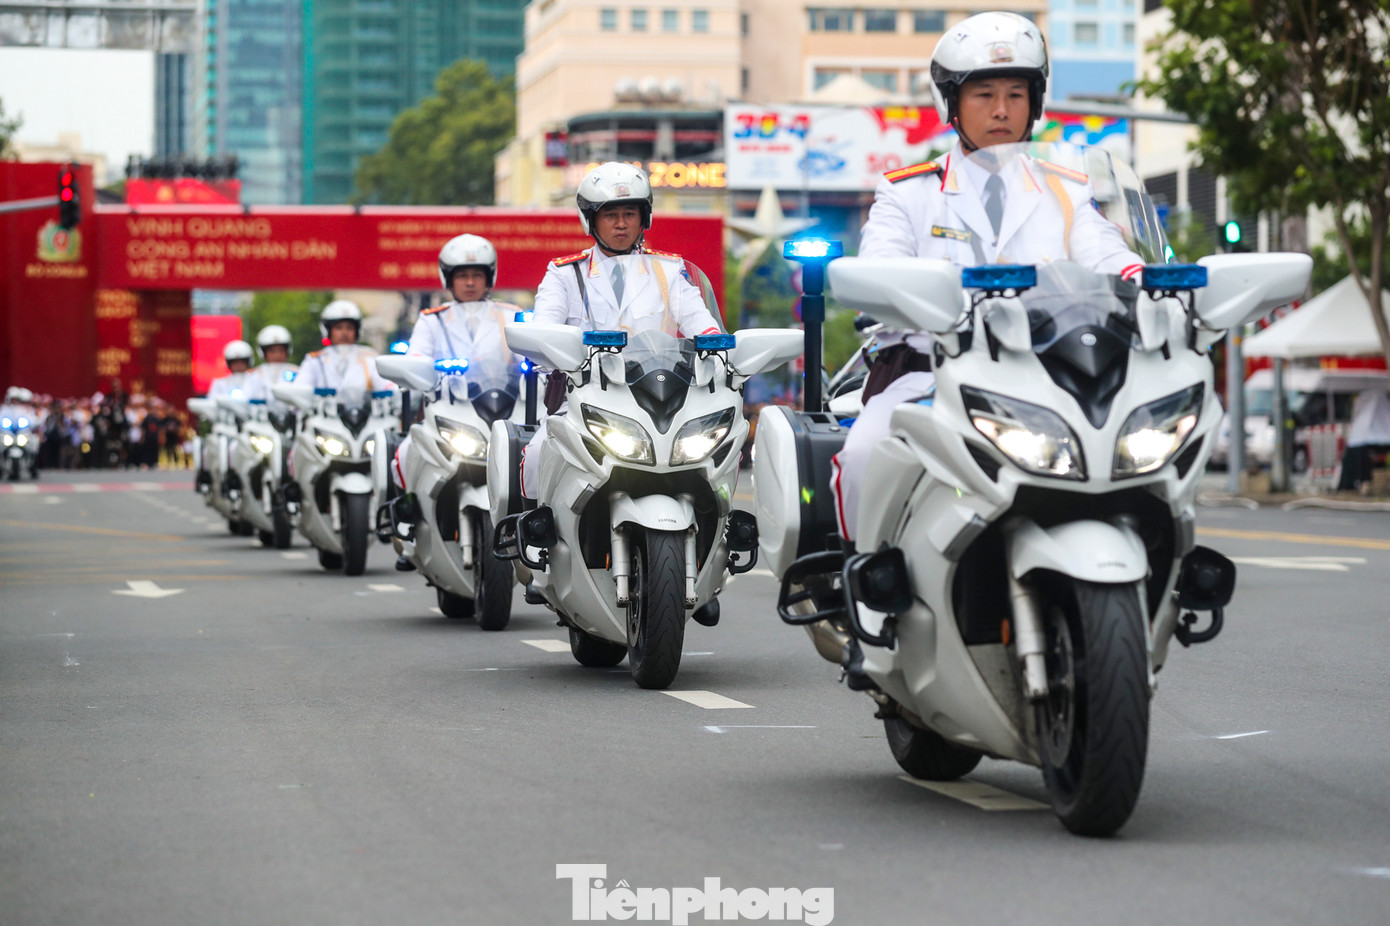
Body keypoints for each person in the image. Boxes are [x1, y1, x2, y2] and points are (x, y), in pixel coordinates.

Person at [831, 10, 1147, 541]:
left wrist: (1149, 288)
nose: (1001, 110)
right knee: (864, 453)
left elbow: (1108, 253)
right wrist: (892, 291)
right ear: (952, 103)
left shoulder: (1069, 190)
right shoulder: (908, 191)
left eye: (1016, 94)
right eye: (984, 95)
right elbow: (878, 268)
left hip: (1051, 376)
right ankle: (867, 591)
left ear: (1035, 103)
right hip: (927, 374)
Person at [522, 161, 723, 497]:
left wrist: (717, 346)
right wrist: (547, 347)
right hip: (582, 401)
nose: (620, 224)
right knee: (538, 453)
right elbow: (544, 331)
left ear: (643, 218)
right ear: (591, 219)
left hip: (660, 400)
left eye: (629, 214)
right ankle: (535, 544)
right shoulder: (564, 274)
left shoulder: (669, 270)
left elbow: (702, 323)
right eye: (610, 215)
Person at [388, 234, 525, 569]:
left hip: (505, 407)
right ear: (448, 279)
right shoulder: (431, 319)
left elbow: (534, 357)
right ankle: (407, 528)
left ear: (489, 278)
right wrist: (419, 372)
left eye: (476, 275)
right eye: (461, 276)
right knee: (404, 453)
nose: (469, 282)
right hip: (448, 410)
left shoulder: (514, 314)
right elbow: (417, 359)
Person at [297, 301, 382, 393]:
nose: (344, 333)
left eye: (349, 328)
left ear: (357, 331)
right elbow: (299, 390)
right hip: (323, 407)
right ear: (328, 330)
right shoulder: (315, 360)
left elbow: (387, 387)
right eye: (339, 328)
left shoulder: (370, 358)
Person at [244, 325, 300, 401]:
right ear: (263, 352)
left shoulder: (297, 372)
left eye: (281, 350)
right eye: (272, 351)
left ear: (287, 351)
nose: (277, 355)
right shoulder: (254, 374)